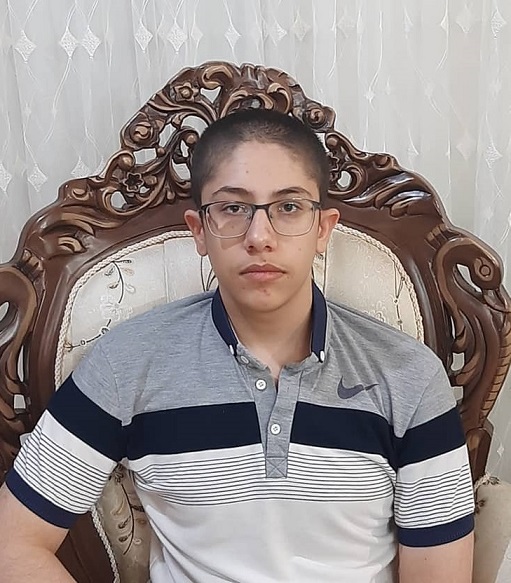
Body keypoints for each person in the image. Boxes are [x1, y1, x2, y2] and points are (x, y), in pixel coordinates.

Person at [0, 108, 474, 582]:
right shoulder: (126, 364)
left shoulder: (409, 375)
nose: (260, 237)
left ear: (323, 229)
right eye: (232, 208)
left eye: (289, 207)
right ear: (199, 230)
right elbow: (12, 543)